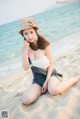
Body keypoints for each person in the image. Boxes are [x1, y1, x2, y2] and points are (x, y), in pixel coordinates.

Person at [17, 18, 80, 105]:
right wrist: (25, 50)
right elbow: (26, 68)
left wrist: (47, 81)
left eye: (31, 32)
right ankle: (26, 92)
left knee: (54, 90)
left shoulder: (44, 44)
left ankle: (76, 78)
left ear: (35, 32)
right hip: (37, 78)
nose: (29, 36)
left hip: (50, 74)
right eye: (26, 33)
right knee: (26, 100)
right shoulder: (25, 49)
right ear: (23, 35)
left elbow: (51, 63)